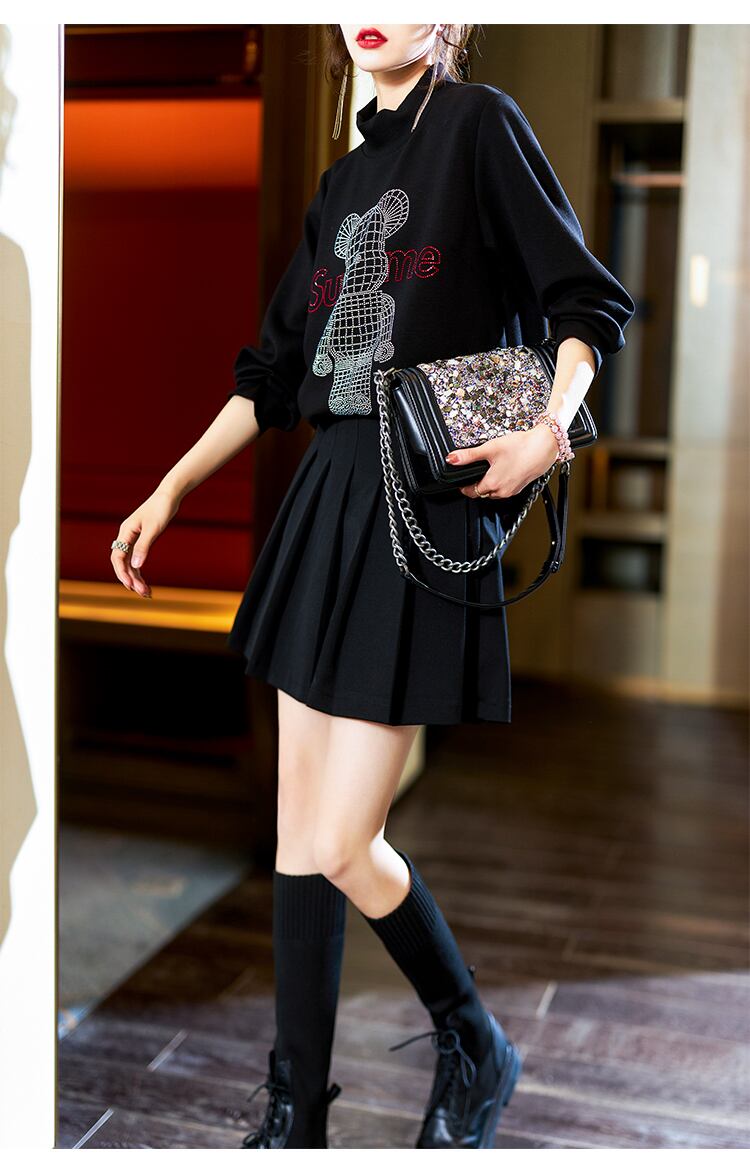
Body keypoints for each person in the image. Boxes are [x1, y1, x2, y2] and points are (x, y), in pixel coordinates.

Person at [109, 24, 635, 1150]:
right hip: (329, 499)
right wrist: (172, 487)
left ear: (451, 17)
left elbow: (586, 304)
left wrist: (549, 431)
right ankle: (296, 1115)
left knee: (347, 841)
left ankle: (474, 1038)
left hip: (421, 503)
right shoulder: (341, 183)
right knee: (300, 834)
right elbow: (272, 375)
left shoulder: (482, 127)